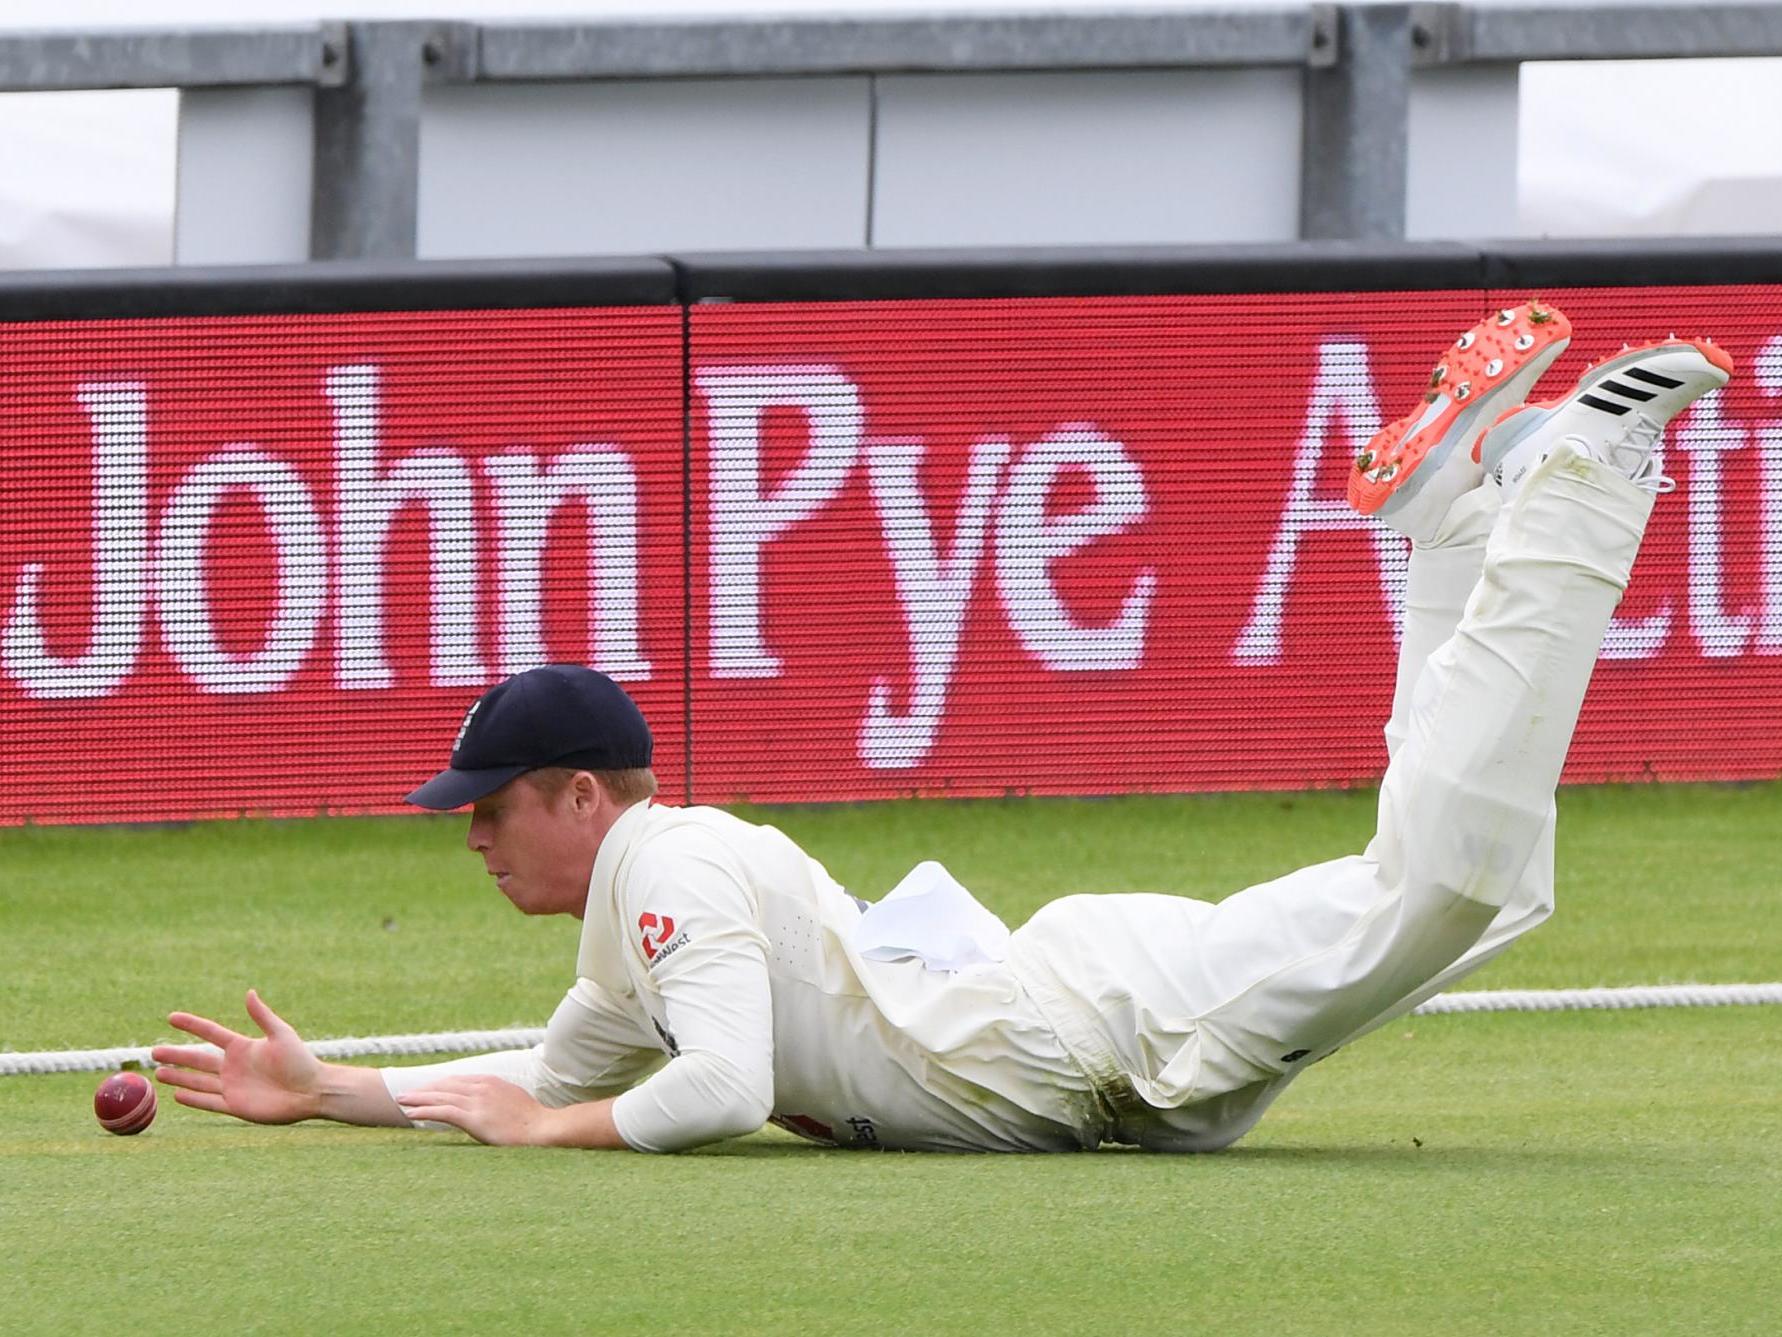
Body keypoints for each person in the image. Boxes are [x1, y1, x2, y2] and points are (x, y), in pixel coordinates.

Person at [152, 303, 1733, 1153]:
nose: (473, 835)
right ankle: (1457, 524)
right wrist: (346, 1086)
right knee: (1461, 881)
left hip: (1083, 1036)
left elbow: (702, 1092)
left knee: (1453, 883)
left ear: (579, 793)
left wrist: (549, 1129)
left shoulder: (667, 873)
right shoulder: (641, 913)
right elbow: (557, 1065)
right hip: (1079, 1018)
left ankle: (1574, 481)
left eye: (488, 807)